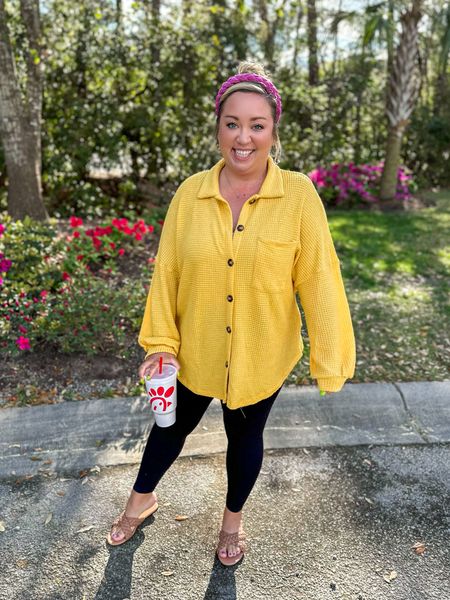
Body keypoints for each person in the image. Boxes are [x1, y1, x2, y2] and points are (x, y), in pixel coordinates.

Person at [106, 61, 356, 566]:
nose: (244, 137)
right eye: (233, 123)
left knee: (246, 437)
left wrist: (330, 358)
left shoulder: (299, 196)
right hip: (195, 349)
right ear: (218, 127)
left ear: (273, 132)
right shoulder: (189, 195)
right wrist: (160, 342)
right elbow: (168, 273)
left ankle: (232, 523)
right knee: (169, 429)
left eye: (257, 125)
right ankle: (141, 499)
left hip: (262, 354)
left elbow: (319, 277)